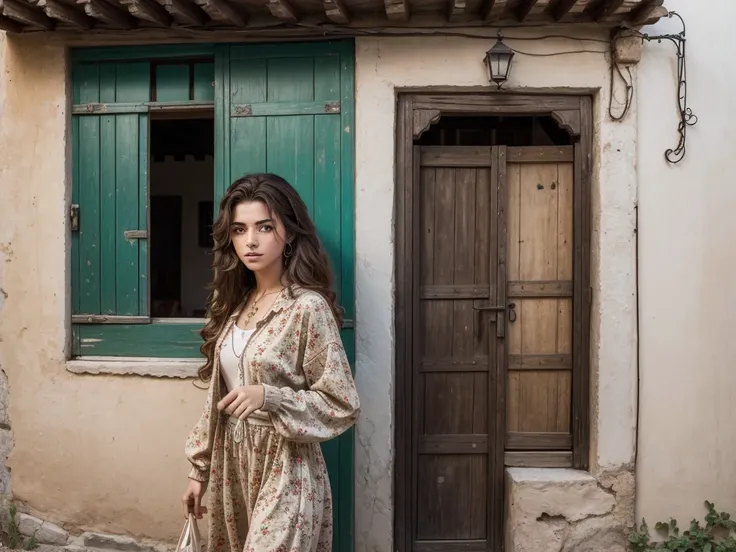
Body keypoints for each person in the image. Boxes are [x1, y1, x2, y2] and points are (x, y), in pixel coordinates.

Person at [182, 173, 360, 552]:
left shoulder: (306, 308)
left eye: (265, 227)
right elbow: (218, 403)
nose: (250, 240)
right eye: (239, 229)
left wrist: (271, 397)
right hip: (234, 468)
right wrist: (200, 470)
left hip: (287, 467)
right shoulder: (233, 308)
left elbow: (342, 403)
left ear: (289, 233)